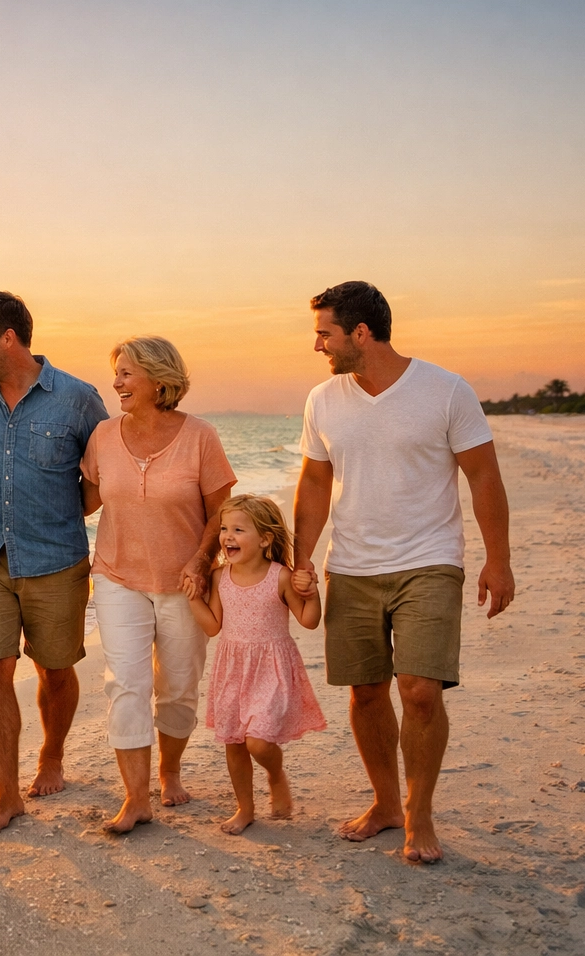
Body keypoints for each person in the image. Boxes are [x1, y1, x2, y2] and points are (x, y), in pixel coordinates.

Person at [292, 280, 514, 864]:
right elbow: (315, 481)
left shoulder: (444, 391)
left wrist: (499, 559)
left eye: (325, 333)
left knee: (418, 692)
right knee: (366, 692)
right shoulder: (324, 399)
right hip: (353, 564)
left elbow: (484, 476)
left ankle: (419, 813)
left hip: (430, 561)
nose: (318, 345)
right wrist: (301, 558)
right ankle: (386, 803)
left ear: (359, 333)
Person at [0, 291, 109, 835]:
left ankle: (52, 754)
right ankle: (7, 793)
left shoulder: (78, 399)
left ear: (7, 338)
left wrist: (59, 517)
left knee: (56, 668)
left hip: (56, 558)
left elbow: (99, 478)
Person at [79, 336, 236, 833]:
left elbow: (222, 513)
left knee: (178, 687)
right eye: (117, 373)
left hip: (183, 582)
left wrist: (200, 559)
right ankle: (135, 797)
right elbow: (81, 503)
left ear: (158, 379)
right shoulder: (103, 435)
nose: (117, 382)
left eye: (126, 374)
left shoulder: (200, 437)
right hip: (116, 576)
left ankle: (170, 771)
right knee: (125, 683)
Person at [186, 494, 325, 836]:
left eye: (238, 530)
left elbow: (309, 621)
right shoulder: (220, 577)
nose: (227, 536)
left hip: (272, 669)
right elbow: (213, 626)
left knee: (258, 742)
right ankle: (245, 809)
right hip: (232, 669)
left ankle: (275, 774)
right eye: (223, 529)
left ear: (265, 539)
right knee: (234, 742)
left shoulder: (280, 576)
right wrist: (192, 599)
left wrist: (312, 592)